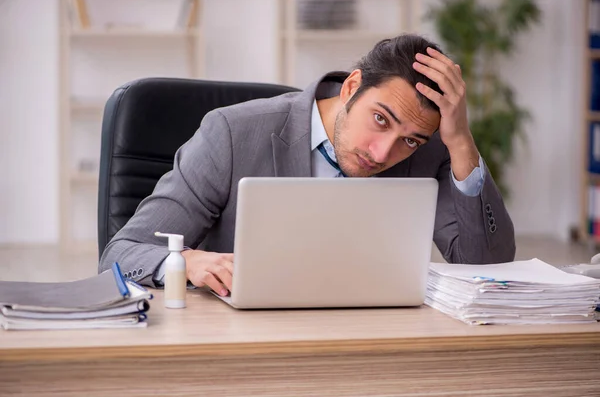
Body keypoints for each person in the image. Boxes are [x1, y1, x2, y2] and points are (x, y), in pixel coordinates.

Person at [98, 34, 515, 295]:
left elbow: (487, 270)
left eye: (408, 139)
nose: (384, 153)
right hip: (246, 346)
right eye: (380, 119)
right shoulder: (230, 133)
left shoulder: (430, 150)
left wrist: (460, 141)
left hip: (373, 341)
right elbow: (119, 255)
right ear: (352, 86)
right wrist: (189, 262)